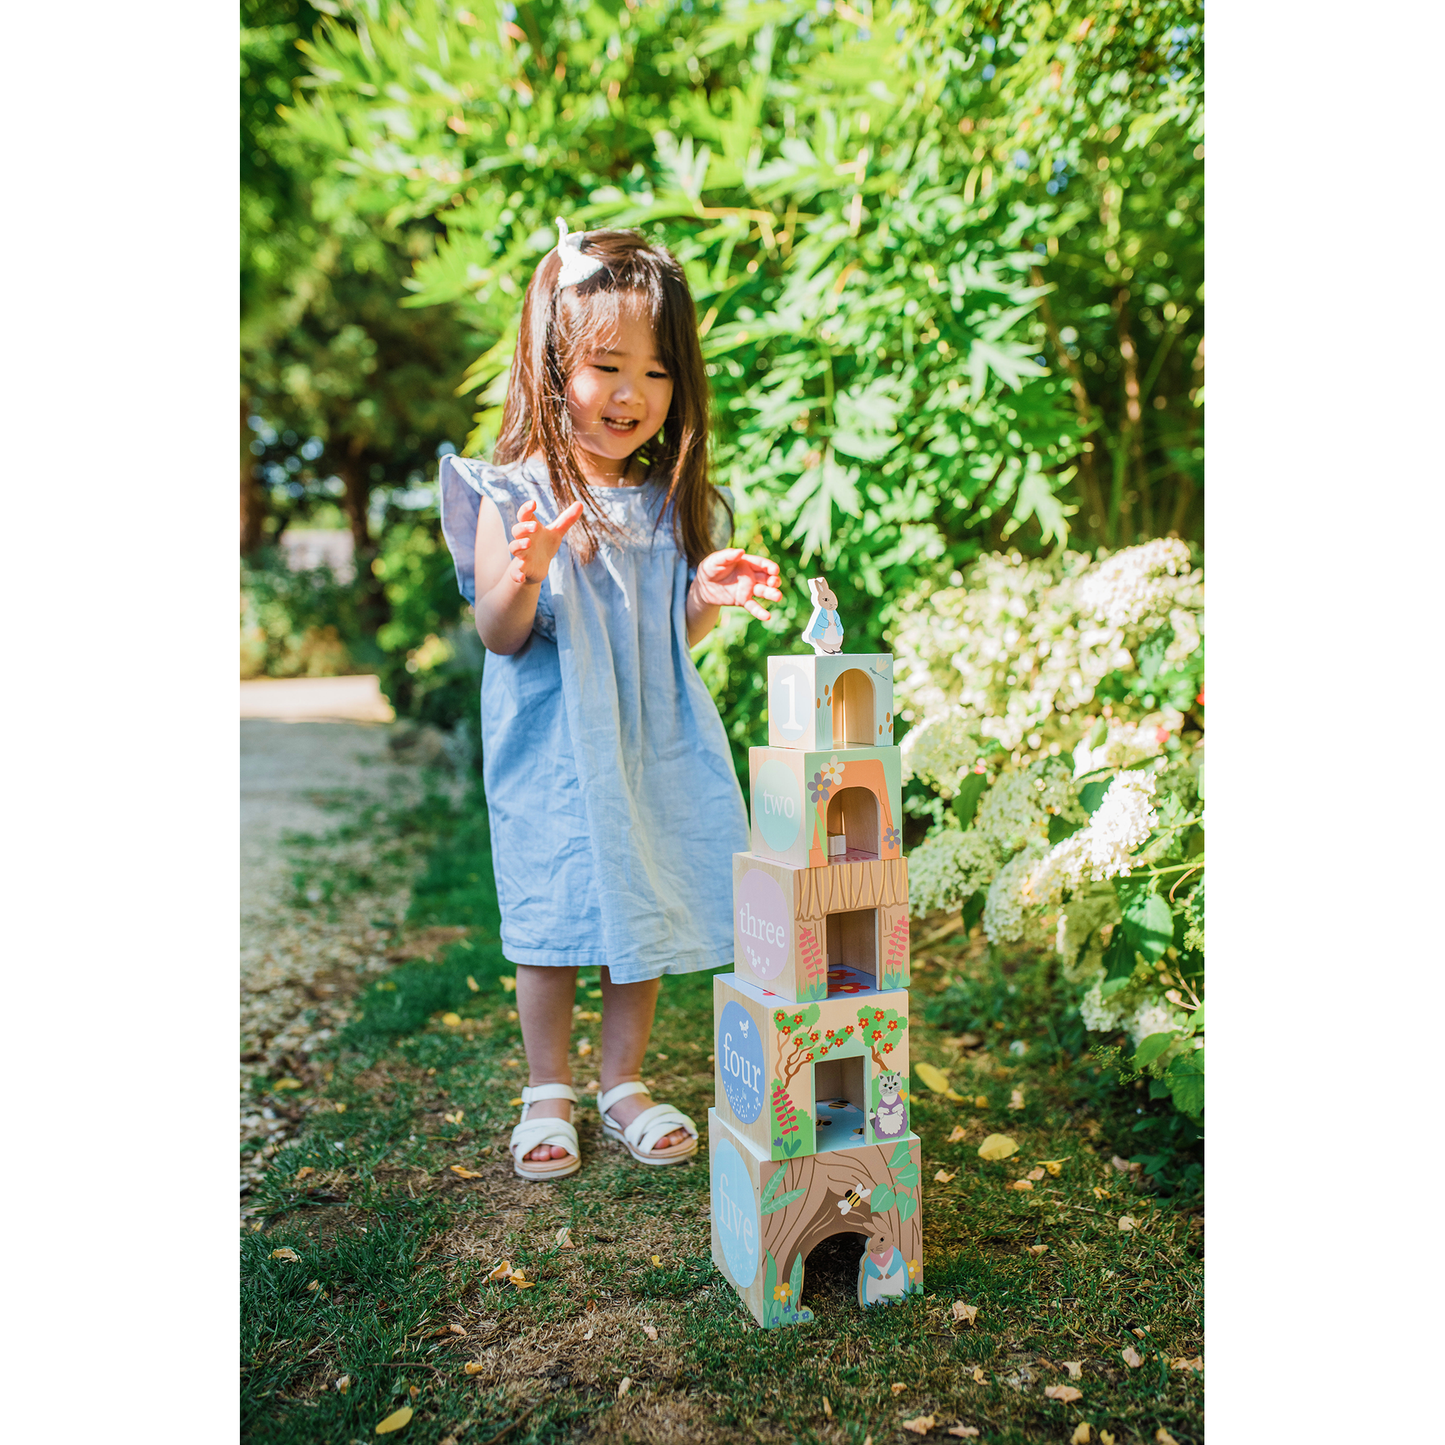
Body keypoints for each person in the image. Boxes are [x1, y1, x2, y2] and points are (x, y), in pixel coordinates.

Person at [439, 222, 782, 1180]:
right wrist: (526, 568)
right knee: (552, 912)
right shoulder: (509, 495)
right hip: (554, 748)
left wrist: (706, 592)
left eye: (658, 371)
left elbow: (672, 633)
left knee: (642, 896)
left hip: (644, 743)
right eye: (606, 365)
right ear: (553, 364)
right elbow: (500, 633)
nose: (633, 393)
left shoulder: (672, 500)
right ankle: (547, 1085)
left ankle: (621, 1082)